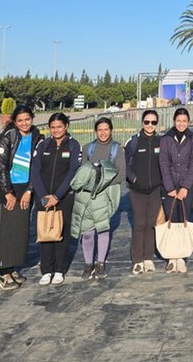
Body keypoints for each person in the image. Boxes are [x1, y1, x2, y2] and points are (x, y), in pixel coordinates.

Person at [0, 104, 43, 290]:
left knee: (20, 231)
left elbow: (38, 167)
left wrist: (29, 190)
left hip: (25, 188)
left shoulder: (37, 136)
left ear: (32, 119)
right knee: (7, 232)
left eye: (27, 119)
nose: (24, 123)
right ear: (14, 121)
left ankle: (12, 269)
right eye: (20, 120)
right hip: (8, 189)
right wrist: (7, 193)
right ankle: (3, 273)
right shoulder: (8, 136)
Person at [70, 117, 126, 280]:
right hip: (87, 195)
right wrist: (90, 185)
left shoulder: (117, 149)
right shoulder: (88, 148)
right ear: (96, 131)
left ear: (111, 130)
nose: (103, 133)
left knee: (102, 228)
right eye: (100, 130)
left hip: (105, 195)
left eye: (106, 129)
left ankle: (100, 262)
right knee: (87, 232)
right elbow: (81, 173)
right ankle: (88, 264)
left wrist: (101, 183)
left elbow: (121, 174)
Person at [30, 112, 81, 285]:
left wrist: (58, 196)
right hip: (43, 197)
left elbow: (73, 171)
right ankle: (46, 270)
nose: (56, 130)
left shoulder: (74, 145)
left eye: (59, 126)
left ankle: (59, 269)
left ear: (66, 126)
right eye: (53, 127)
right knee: (45, 233)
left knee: (61, 233)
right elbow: (35, 171)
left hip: (63, 197)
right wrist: (44, 195)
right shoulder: (43, 145)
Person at [159, 107, 193, 274]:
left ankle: (182, 258)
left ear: (188, 122)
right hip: (169, 187)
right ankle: (172, 257)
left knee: (183, 219)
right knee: (171, 219)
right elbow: (163, 163)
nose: (181, 124)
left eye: (184, 121)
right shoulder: (166, 138)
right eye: (178, 121)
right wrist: (169, 187)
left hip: (186, 186)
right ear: (174, 121)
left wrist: (185, 187)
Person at [124, 109, 163, 275]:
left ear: (157, 124)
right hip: (137, 190)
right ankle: (137, 260)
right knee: (139, 224)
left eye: (153, 122)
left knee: (151, 224)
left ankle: (148, 258)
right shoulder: (133, 142)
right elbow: (126, 165)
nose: (150, 125)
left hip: (155, 189)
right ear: (142, 123)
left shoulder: (161, 142)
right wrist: (133, 179)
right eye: (147, 122)